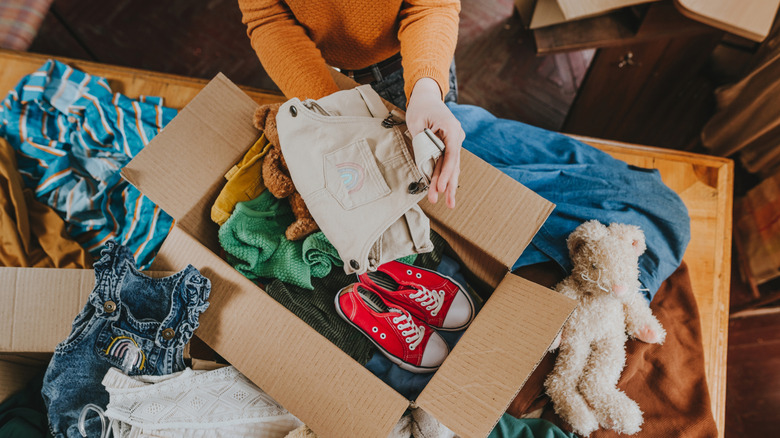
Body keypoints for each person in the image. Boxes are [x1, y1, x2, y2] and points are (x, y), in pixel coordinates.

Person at [238, 0, 464, 209]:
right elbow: (268, 18)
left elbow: (431, 4)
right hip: (330, 79)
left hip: (418, 58)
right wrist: (331, 112)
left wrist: (426, 91)